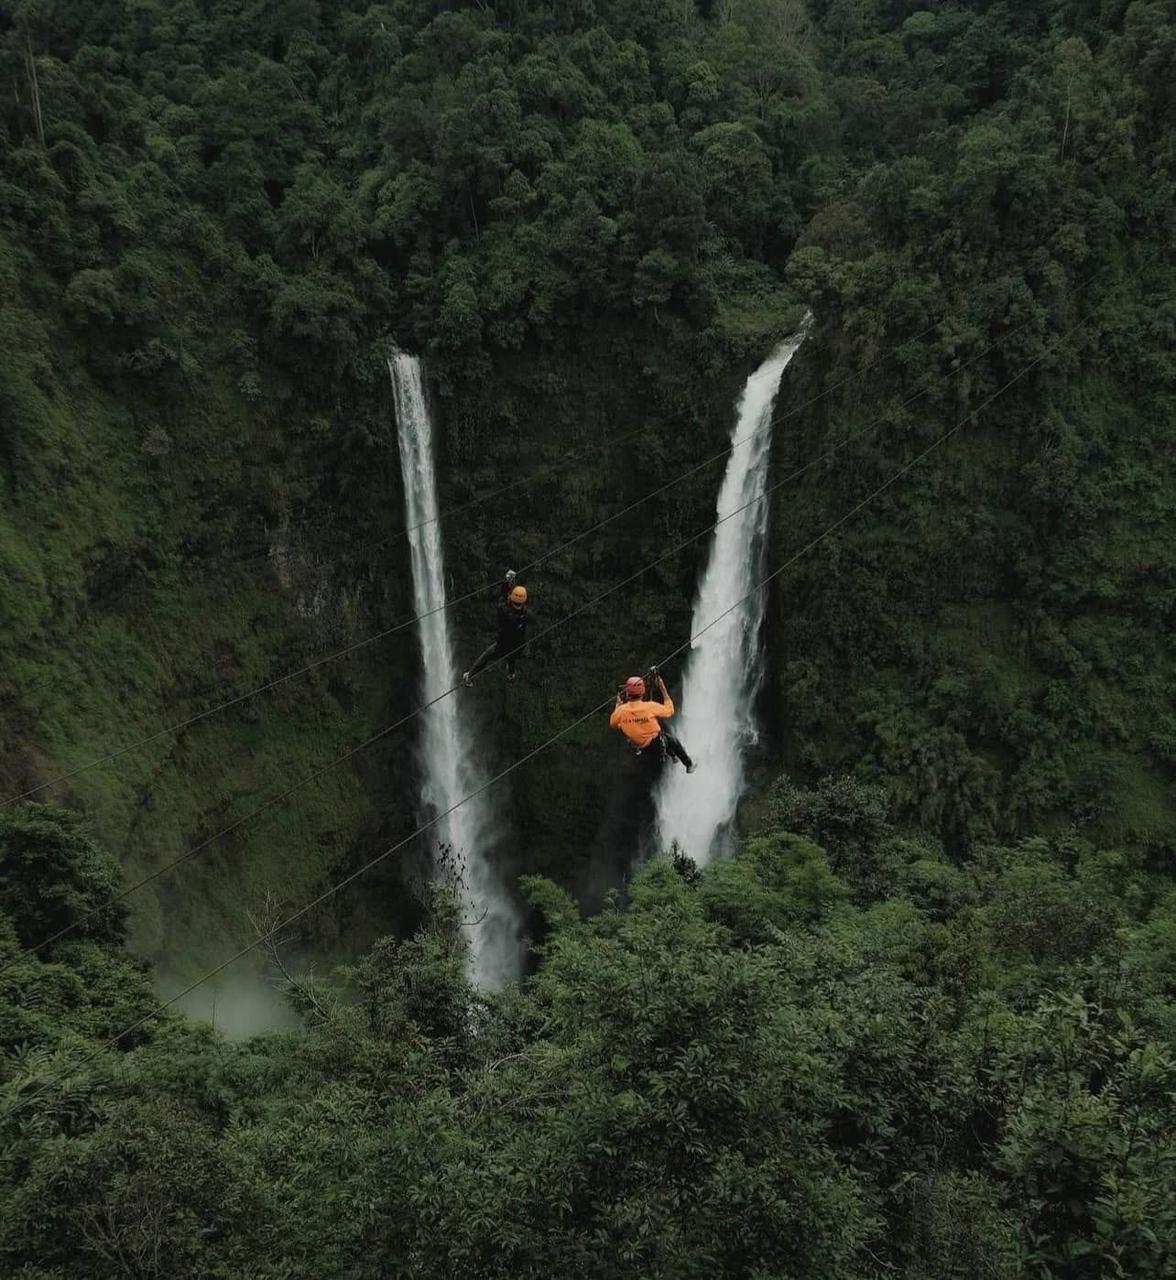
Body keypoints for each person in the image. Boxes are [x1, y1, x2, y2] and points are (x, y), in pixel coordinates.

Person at [608, 667, 696, 772]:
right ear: (642, 692)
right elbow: (670, 711)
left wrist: (618, 706)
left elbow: (613, 724)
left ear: (627, 693)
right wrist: (662, 688)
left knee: (660, 733)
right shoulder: (650, 707)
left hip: (638, 747)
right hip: (655, 746)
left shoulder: (621, 711)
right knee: (671, 739)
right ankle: (689, 765)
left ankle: (673, 756)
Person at [463, 570, 529, 686]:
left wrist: (506, 581)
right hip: (519, 648)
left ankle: (469, 677)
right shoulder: (526, 614)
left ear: (511, 598)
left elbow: (502, 599)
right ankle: (511, 674)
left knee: (487, 656)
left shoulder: (504, 612)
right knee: (512, 654)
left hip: (503, 647)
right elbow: (513, 602)